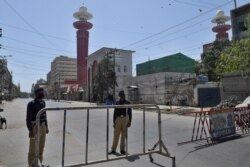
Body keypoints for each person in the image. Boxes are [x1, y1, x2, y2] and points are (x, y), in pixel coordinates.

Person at [26, 87, 49, 167]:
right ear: (36, 94)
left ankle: (39, 163)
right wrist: (30, 131)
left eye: (42, 92)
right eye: (40, 92)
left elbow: (45, 115)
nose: (42, 94)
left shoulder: (43, 103)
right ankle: (31, 165)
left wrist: (46, 127)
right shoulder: (31, 104)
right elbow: (28, 119)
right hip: (35, 128)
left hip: (42, 127)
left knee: (41, 148)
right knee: (32, 150)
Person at [109, 90, 132, 155]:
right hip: (118, 119)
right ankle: (113, 149)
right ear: (119, 96)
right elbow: (115, 113)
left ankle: (122, 150)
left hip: (125, 119)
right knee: (116, 134)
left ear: (124, 95)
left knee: (123, 135)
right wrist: (114, 122)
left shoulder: (127, 102)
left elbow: (130, 112)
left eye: (123, 95)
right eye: (121, 95)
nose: (122, 96)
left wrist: (130, 121)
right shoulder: (117, 102)